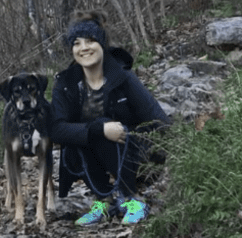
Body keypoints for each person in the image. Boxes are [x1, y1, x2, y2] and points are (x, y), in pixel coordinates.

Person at [51, 12, 170, 226]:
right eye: (76, 43)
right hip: (97, 151)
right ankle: (103, 201)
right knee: (80, 139)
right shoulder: (66, 83)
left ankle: (133, 200)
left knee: (110, 131)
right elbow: (56, 129)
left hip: (134, 152)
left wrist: (143, 144)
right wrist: (98, 128)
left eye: (90, 40)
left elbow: (158, 120)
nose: (83, 48)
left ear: (102, 43)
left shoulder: (122, 77)